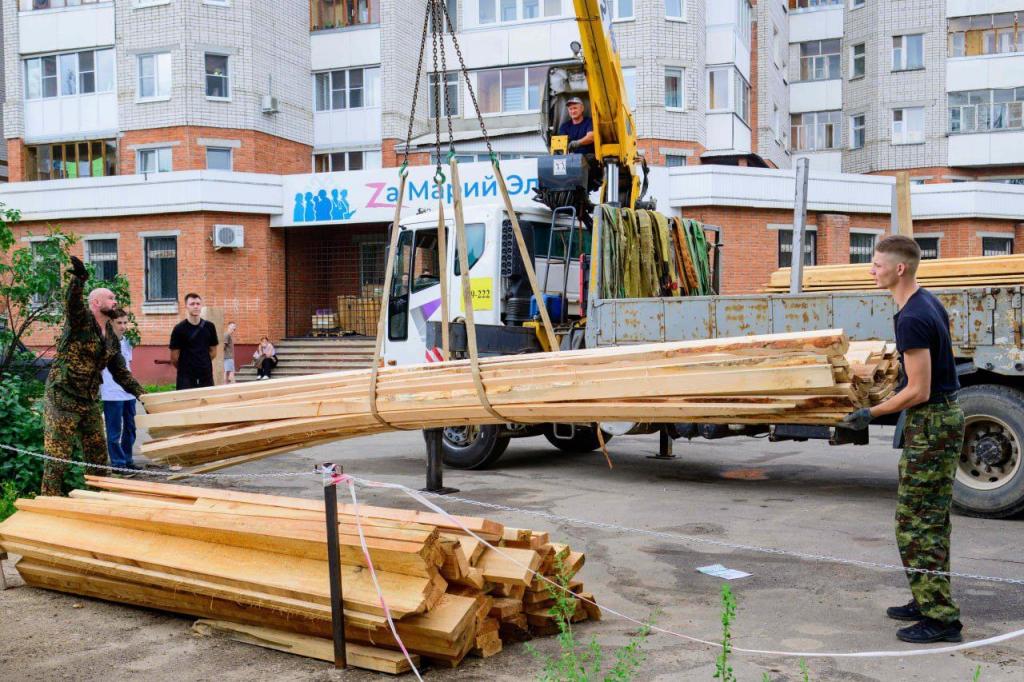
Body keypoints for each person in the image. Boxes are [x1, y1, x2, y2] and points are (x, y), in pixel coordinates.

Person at [839, 235, 965, 644]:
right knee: (932, 519)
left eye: (876, 265)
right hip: (938, 420)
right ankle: (926, 597)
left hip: (931, 422)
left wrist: (870, 413)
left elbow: (920, 391)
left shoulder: (913, 316)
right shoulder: (925, 302)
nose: (871, 271)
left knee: (916, 524)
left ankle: (941, 619)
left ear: (899, 268)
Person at [41, 257, 146, 496]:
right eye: (110, 297)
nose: (115, 301)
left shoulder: (110, 336)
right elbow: (72, 303)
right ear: (97, 303)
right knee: (58, 457)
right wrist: (79, 279)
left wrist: (143, 395)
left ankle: (98, 498)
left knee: (98, 455)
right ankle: (49, 500)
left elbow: (121, 372)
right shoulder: (80, 321)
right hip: (63, 397)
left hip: (88, 400)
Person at [99, 308, 140, 475]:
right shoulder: (104, 342)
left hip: (128, 393)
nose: (123, 326)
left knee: (130, 428)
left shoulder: (128, 341)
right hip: (111, 393)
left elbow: (128, 365)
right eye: (119, 323)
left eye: (125, 323)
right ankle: (118, 464)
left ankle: (128, 460)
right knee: (115, 430)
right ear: (111, 323)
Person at [169, 293, 219, 390]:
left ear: (201, 306)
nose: (195, 306)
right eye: (192, 304)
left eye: (198, 304)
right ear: (186, 306)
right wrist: (186, 367)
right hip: (186, 378)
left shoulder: (210, 327)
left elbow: (213, 352)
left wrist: (202, 363)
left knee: (206, 399)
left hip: (206, 376)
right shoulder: (179, 329)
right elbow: (174, 357)